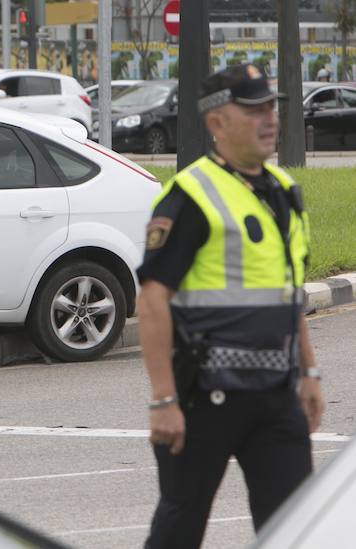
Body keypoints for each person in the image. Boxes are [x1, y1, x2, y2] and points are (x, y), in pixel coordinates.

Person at [137, 63, 325, 549]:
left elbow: (289, 291)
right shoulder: (190, 196)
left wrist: (309, 373)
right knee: (180, 525)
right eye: (254, 109)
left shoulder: (284, 190)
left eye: (271, 108)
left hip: (275, 395)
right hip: (204, 398)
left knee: (294, 530)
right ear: (216, 122)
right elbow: (153, 298)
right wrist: (163, 400)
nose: (269, 119)